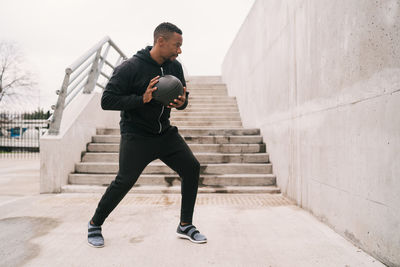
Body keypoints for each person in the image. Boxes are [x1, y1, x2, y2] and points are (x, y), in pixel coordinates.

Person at [87, 22, 207, 247]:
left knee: (191, 168)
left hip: (164, 133)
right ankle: (95, 224)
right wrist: (141, 99)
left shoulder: (175, 67)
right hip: (137, 135)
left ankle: (185, 225)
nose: (179, 50)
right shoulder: (130, 67)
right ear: (160, 41)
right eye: (176, 45)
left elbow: (182, 98)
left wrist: (182, 103)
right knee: (124, 181)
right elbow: (107, 101)